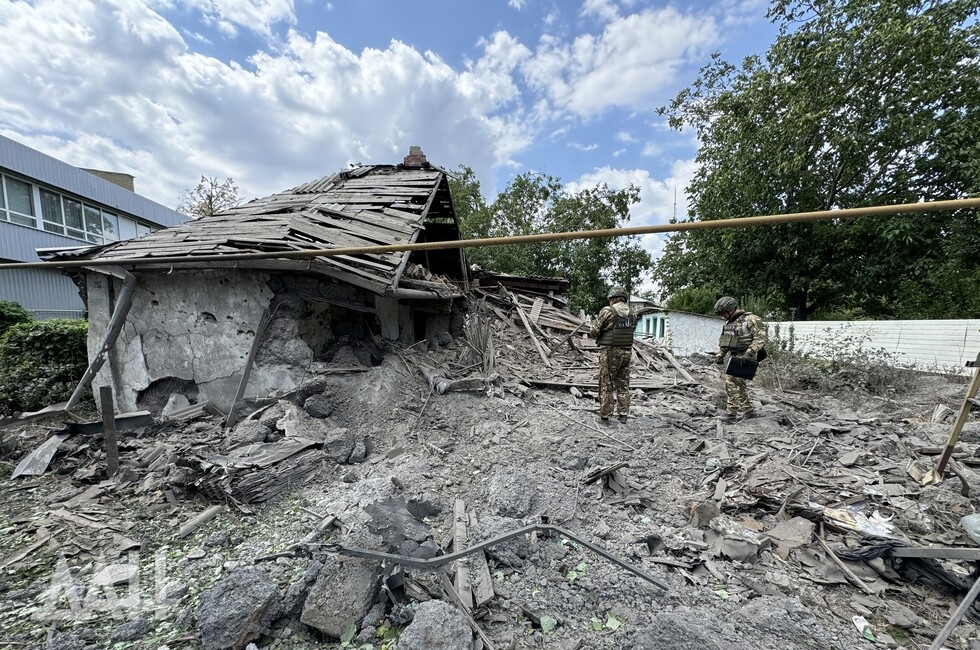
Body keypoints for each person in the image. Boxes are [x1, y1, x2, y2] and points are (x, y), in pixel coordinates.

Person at [712, 296, 767, 421]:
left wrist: (750, 352)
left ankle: (731, 414)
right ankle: (749, 411)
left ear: (731, 310)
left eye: (724, 313)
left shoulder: (752, 319)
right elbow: (726, 342)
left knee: (731, 381)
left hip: (748, 355)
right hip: (736, 355)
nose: (723, 317)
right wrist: (720, 355)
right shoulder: (729, 323)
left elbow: (761, 338)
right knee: (740, 384)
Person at [590, 286, 637, 424]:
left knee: (606, 383)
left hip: (610, 352)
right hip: (626, 352)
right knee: (623, 384)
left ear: (613, 298)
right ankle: (623, 415)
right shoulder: (632, 313)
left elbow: (594, 331)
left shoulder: (607, 311)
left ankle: (605, 416)